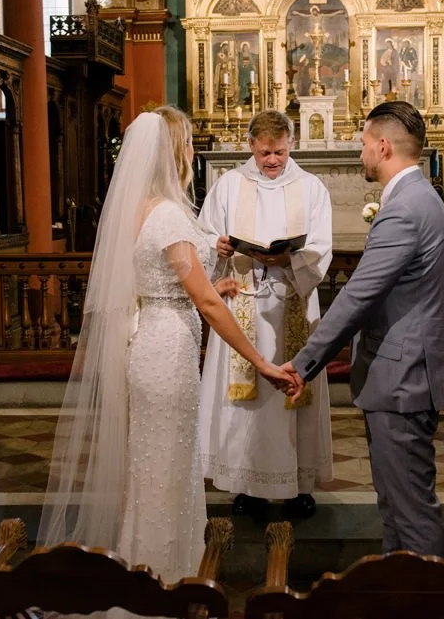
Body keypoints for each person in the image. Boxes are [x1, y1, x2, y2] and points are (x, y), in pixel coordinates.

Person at [39, 106, 296, 584]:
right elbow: (205, 303)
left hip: (149, 343)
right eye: (189, 143)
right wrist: (260, 361)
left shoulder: (139, 209)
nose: (193, 151)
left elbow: (162, 282)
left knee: (155, 468)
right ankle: (162, 584)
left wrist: (211, 288)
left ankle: (150, 572)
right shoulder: (170, 216)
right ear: (174, 151)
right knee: (167, 471)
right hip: (167, 354)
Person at [282, 101, 444, 557]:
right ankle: (403, 594)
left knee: (411, 510)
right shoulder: (421, 198)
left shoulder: (403, 209)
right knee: (398, 507)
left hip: (401, 379)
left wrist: (302, 364)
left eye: (361, 145)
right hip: (408, 374)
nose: (359, 154)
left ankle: (433, 599)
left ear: (382, 146)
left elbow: (358, 297)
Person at [198, 110, 334, 519]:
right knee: (247, 401)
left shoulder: (311, 188)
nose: (272, 160)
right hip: (243, 304)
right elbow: (203, 235)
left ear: (291, 144)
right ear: (250, 146)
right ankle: (247, 484)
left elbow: (321, 248)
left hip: (291, 301)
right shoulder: (228, 186)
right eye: (264, 153)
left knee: (295, 396)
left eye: (278, 151)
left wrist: (288, 257)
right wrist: (217, 247)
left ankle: (299, 486)